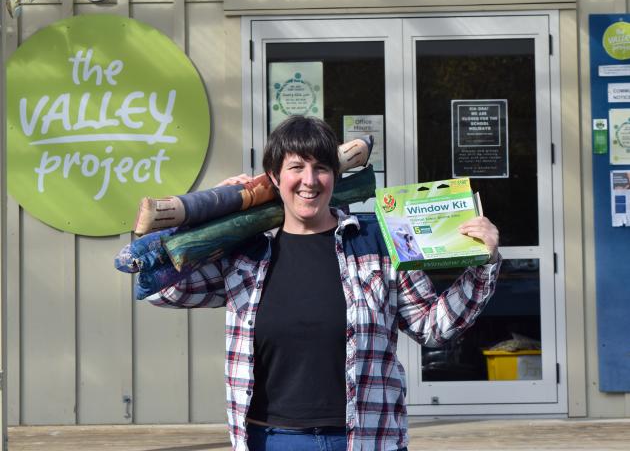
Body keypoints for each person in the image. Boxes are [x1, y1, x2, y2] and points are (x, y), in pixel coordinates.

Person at [146, 116, 501, 451]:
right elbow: (166, 289)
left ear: (334, 174)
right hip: (273, 439)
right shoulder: (246, 253)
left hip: (366, 438)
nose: (310, 180)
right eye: (296, 167)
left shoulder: (376, 241)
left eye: (321, 168)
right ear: (274, 177)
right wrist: (210, 214)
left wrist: (484, 265)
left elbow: (432, 326)